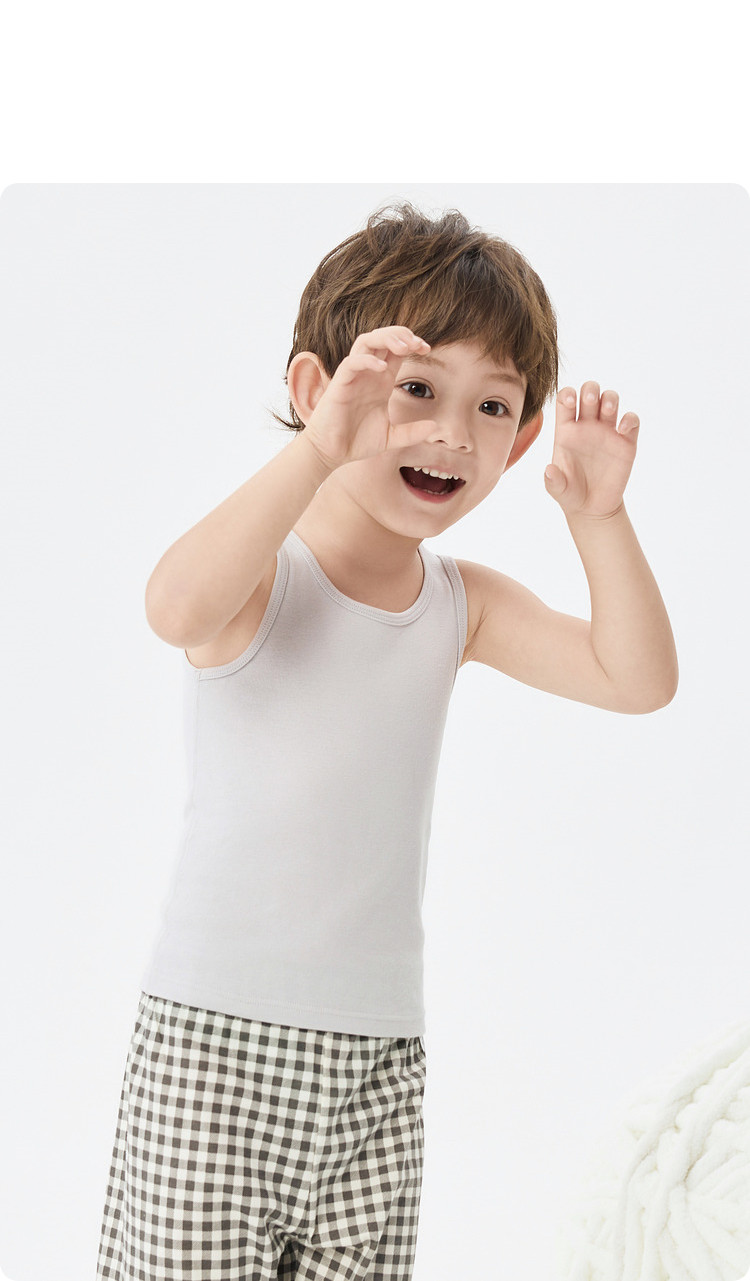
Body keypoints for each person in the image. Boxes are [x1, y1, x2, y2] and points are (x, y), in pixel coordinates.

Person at [96, 200, 678, 1281]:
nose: (453, 433)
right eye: (416, 390)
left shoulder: (461, 604)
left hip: (377, 1057)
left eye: (492, 406)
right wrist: (319, 449)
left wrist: (598, 518)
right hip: (216, 1044)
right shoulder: (266, 574)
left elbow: (635, 679)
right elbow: (175, 608)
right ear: (318, 389)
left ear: (522, 440)